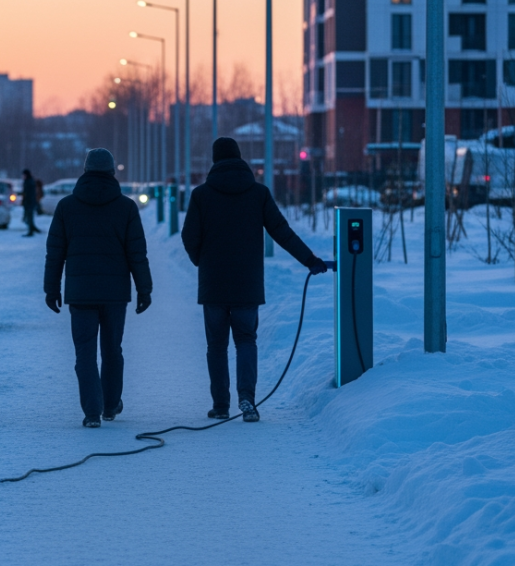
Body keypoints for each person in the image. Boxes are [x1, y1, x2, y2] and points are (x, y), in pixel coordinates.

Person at [182, 137, 328, 423]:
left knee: (216, 346)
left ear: (215, 160)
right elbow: (281, 232)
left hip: (213, 284)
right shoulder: (257, 193)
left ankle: (221, 405)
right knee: (246, 341)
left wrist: (202, 260)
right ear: (240, 158)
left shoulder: (202, 195)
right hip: (247, 283)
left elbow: (189, 236)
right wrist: (310, 260)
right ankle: (247, 399)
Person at [44, 148, 153, 428]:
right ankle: (110, 405)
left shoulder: (67, 206)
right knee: (112, 350)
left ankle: (92, 413)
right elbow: (137, 253)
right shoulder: (126, 207)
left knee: (84, 352)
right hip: (115, 293)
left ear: (85, 170)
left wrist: (51, 288)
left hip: (80, 293)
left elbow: (55, 252)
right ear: (112, 172)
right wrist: (144, 289)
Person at [21, 169, 41, 236]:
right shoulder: (30, 181)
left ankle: (31, 231)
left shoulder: (29, 182)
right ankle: (32, 228)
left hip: (29, 202)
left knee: (28, 217)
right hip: (30, 202)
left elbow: (28, 193)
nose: (23, 176)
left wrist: (25, 201)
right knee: (29, 217)